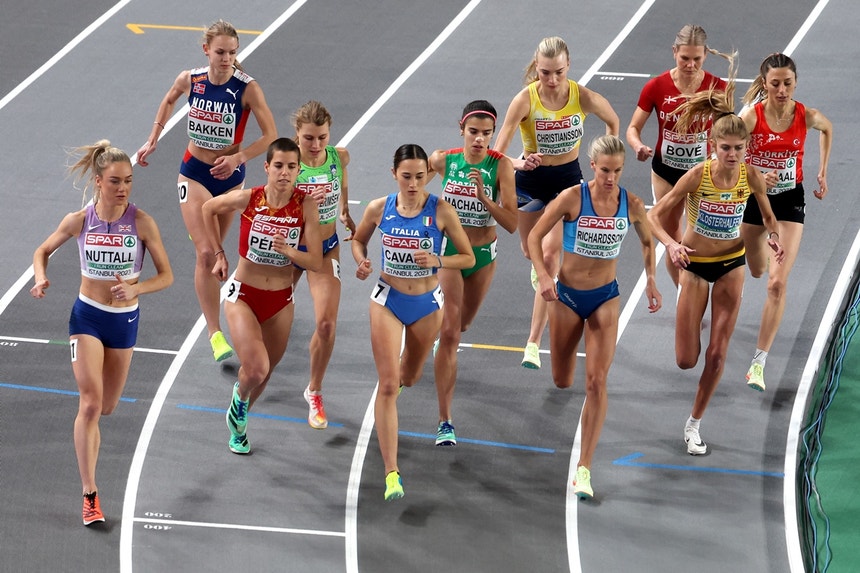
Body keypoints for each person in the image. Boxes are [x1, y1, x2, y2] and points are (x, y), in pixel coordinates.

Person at [647, 56, 785, 456]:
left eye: (739, 148)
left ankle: (694, 423)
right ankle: (684, 308)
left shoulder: (751, 174)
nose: (732, 154)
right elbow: (653, 216)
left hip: (731, 265)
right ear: (713, 146)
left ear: (746, 147)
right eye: (725, 147)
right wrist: (671, 245)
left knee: (718, 352)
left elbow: (769, 215)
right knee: (686, 360)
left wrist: (773, 237)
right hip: (694, 266)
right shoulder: (697, 175)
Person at [30, 141, 173, 525]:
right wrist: (41, 277)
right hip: (87, 317)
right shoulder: (79, 220)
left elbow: (167, 275)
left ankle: (90, 467)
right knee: (90, 404)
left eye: (128, 181)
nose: (123, 188)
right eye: (115, 181)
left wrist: (136, 288)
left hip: (124, 320)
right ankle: (90, 494)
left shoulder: (142, 223)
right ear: (98, 181)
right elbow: (41, 251)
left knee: (107, 407)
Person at [137, 19, 277, 363]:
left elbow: (271, 134)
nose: (227, 58)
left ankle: (203, 236)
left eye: (232, 52)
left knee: (214, 249)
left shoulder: (247, 88)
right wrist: (153, 138)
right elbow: (169, 99)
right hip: (195, 173)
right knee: (207, 255)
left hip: (230, 178)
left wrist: (239, 157)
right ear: (206, 50)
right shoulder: (191, 79)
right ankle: (215, 334)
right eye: (220, 52)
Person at [529, 135, 661, 499]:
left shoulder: (631, 204)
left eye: (617, 171)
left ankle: (584, 467)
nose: (610, 178)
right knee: (561, 379)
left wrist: (651, 280)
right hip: (567, 297)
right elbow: (535, 236)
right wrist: (543, 274)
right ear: (593, 166)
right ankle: (558, 366)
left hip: (606, 297)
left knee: (596, 382)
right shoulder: (573, 198)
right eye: (605, 170)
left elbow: (649, 242)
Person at [351, 144, 474, 500]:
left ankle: (403, 381)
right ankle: (392, 472)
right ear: (394, 174)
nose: (413, 184)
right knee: (388, 385)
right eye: (406, 177)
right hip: (387, 300)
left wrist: (438, 259)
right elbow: (359, 241)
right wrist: (361, 261)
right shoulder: (379, 208)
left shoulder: (442, 211)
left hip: (427, 305)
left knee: (410, 376)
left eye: (420, 177)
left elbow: (466, 258)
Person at [493, 36, 619, 370]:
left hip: (567, 181)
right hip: (530, 182)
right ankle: (541, 274)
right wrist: (518, 163)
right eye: (545, 73)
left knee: (548, 256)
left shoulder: (581, 96)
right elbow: (498, 149)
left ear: (568, 67)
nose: (551, 80)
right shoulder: (525, 100)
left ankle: (532, 343)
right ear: (537, 68)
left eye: (558, 73)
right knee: (528, 250)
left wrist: (604, 155)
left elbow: (613, 121)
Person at [202, 138, 322, 455]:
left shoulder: (305, 205)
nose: (285, 173)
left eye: (292, 167)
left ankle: (239, 427)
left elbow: (317, 261)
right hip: (244, 294)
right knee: (255, 369)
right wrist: (218, 254)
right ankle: (239, 398)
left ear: (299, 170)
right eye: (279, 166)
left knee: (264, 373)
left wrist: (290, 251)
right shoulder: (251, 199)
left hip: (281, 301)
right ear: (267, 167)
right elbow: (208, 208)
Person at [739, 53, 832, 392]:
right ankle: (762, 248)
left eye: (788, 84)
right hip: (753, 200)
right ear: (764, 84)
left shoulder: (805, 116)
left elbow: (828, 128)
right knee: (756, 269)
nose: (781, 90)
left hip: (790, 201)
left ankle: (758, 363)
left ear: (796, 83)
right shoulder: (751, 118)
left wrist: (822, 170)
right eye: (775, 83)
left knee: (776, 284)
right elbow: (726, 154)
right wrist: (758, 175)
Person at [427, 100, 517, 446]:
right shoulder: (443, 160)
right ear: (461, 130)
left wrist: (484, 198)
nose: (479, 140)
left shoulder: (501, 167)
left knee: (463, 324)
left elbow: (511, 224)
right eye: (473, 132)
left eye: (486, 134)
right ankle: (445, 420)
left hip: (483, 254)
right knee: (450, 333)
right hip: (450, 251)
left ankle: (430, 332)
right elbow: (417, 181)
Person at [626, 24, 730, 287]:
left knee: (700, 234)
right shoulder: (657, 86)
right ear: (674, 52)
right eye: (685, 58)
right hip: (666, 172)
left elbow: (729, 131)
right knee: (673, 235)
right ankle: (684, 293)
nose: (691, 65)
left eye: (697, 59)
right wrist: (638, 145)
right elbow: (633, 128)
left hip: (703, 172)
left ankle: (705, 282)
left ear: (705, 54)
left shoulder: (718, 87)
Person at [290, 101, 355, 429]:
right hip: (288, 250)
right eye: (308, 139)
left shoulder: (338, 156)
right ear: (296, 135)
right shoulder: (287, 165)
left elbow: (341, 180)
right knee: (267, 322)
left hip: (326, 250)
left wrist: (344, 210)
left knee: (327, 325)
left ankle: (314, 390)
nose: (316, 146)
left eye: (322, 138)